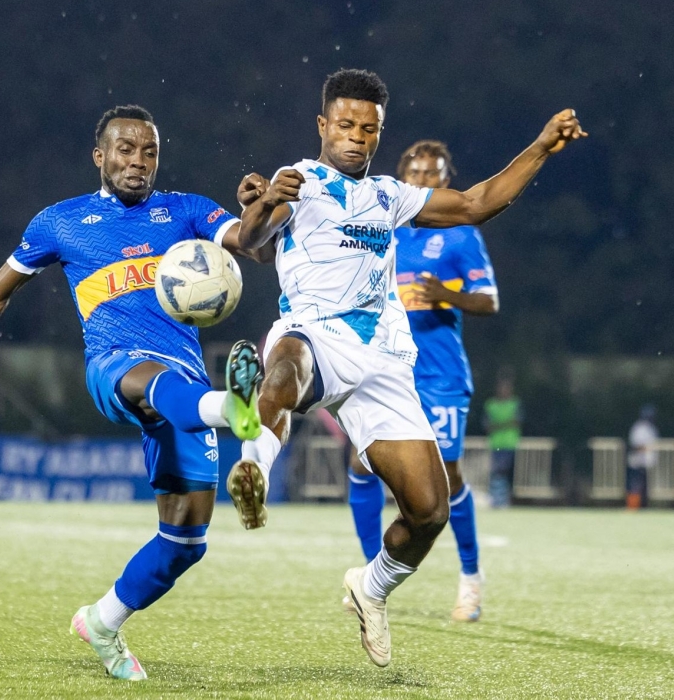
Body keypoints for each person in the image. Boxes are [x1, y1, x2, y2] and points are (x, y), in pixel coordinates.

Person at [0, 105, 267, 681]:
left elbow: (255, 244)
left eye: (148, 151)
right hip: (114, 366)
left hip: (184, 387)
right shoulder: (60, 222)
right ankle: (234, 408)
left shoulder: (188, 210)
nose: (137, 162)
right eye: (125, 149)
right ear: (100, 157)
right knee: (150, 382)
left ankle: (101, 621)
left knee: (185, 541)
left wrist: (264, 206)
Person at [230, 69, 585, 666]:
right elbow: (251, 238)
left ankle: (370, 589)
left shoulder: (391, 196)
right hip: (315, 332)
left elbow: (477, 203)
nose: (357, 138)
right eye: (345, 125)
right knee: (284, 365)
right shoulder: (299, 181)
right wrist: (266, 200)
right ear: (323, 126)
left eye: (369, 129)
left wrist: (542, 147)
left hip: (386, 363)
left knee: (429, 510)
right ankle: (253, 468)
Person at [346, 140, 500, 622]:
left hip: (439, 375)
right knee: (360, 465)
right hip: (388, 370)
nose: (422, 180)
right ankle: (375, 574)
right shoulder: (385, 230)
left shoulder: (458, 235)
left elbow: (489, 300)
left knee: (448, 480)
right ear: (401, 176)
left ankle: (471, 579)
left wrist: (445, 294)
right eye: (414, 172)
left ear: (446, 180)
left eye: (432, 174)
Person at [484, 374, 523, 509]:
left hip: (510, 443)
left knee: (505, 472)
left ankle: (503, 500)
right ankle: (498, 500)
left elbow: (517, 422)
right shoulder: (491, 405)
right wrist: (506, 424)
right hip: (496, 443)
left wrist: (498, 425)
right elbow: (488, 426)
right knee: (497, 471)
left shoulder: (515, 403)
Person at [626, 405, 658, 509]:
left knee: (645, 488)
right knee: (635, 485)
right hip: (637, 462)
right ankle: (632, 507)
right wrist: (647, 449)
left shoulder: (651, 428)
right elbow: (636, 446)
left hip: (647, 463)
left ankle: (643, 507)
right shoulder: (639, 428)